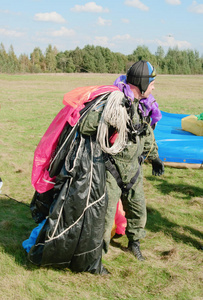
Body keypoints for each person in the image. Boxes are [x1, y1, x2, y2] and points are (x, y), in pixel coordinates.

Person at [79, 60, 164, 262]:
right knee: (105, 216)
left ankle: (134, 243)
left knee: (138, 210)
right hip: (112, 169)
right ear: (142, 83)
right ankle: (96, 257)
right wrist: (112, 121)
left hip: (134, 169)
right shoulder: (116, 103)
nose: (154, 87)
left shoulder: (144, 106)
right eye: (151, 83)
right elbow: (85, 125)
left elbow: (147, 133)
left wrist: (154, 157)